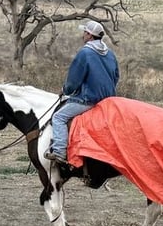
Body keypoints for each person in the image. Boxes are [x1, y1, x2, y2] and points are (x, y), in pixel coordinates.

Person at [45, 20, 119, 165]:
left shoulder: (85, 53)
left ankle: (59, 151)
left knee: (59, 117)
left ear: (90, 35)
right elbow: (116, 77)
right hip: (108, 101)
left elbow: (73, 81)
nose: (83, 35)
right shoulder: (110, 54)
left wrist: (65, 90)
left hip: (87, 100)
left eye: (84, 32)